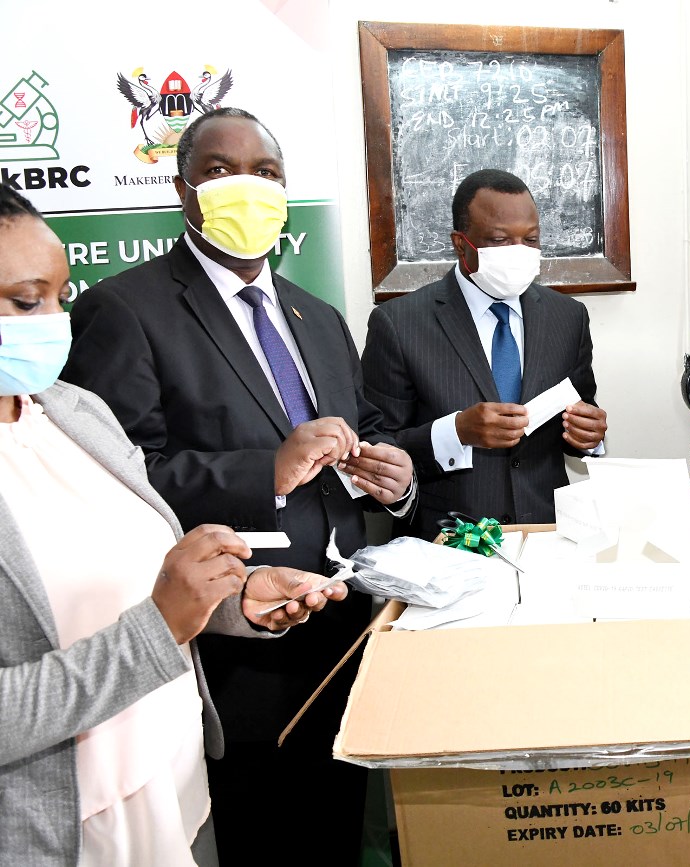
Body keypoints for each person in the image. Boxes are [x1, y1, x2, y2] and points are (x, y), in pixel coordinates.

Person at [61, 107, 415, 866]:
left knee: (338, 823)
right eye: (221, 171)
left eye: (267, 173)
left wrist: (391, 483)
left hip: (340, 618)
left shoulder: (316, 315)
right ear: (182, 188)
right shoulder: (126, 309)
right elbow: (112, 482)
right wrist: (265, 470)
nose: (246, 186)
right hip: (234, 635)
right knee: (259, 832)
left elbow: (353, 444)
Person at [0, 184, 346, 866]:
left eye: (60, 296)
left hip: (177, 794)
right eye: (24, 300)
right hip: (66, 834)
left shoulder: (73, 411)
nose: (53, 321)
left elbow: (134, 586)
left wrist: (232, 596)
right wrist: (160, 628)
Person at [361, 168, 606, 535]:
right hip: (447, 542)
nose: (519, 252)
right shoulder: (399, 324)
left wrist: (591, 437)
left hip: (548, 537)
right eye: (500, 240)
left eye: (531, 239)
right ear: (461, 244)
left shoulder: (567, 317)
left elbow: (579, 418)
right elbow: (376, 447)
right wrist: (456, 431)